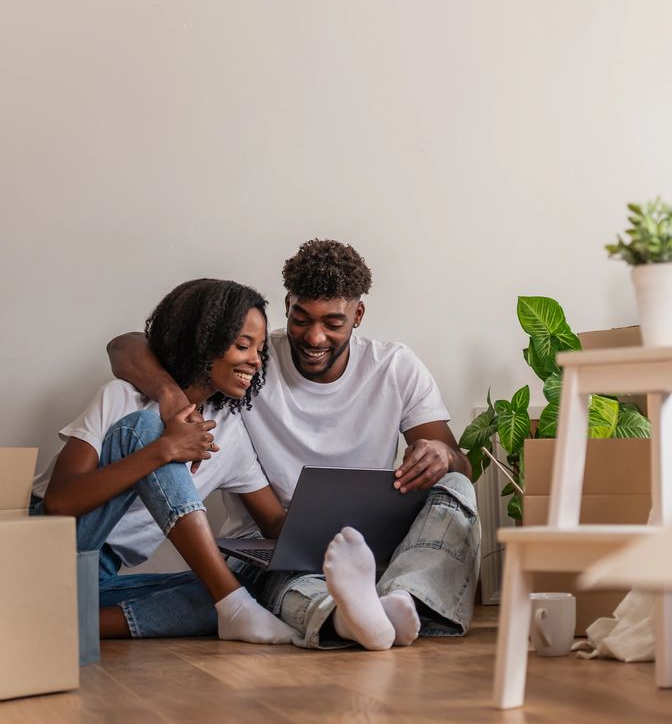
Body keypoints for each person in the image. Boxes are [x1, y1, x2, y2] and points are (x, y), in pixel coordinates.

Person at [108, 240, 481, 651]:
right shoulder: (253, 358)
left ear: (358, 315)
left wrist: (443, 455)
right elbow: (124, 345)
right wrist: (171, 396)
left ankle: (402, 600)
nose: (314, 336)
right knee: (283, 577)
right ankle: (349, 618)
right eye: (301, 318)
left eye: (333, 322)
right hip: (274, 543)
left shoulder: (395, 366)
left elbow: (459, 464)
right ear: (287, 305)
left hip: (378, 548)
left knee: (456, 487)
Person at [33, 278, 295, 644]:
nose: (255, 360)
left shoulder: (229, 432)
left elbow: (273, 522)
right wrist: (164, 449)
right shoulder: (123, 398)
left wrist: (340, 533)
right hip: (40, 551)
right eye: (242, 345)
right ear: (203, 343)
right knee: (146, 427)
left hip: (97, 577)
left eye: (260, 349)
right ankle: (234, 604)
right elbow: (58, 503)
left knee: (231, 588)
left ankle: (56, 625)